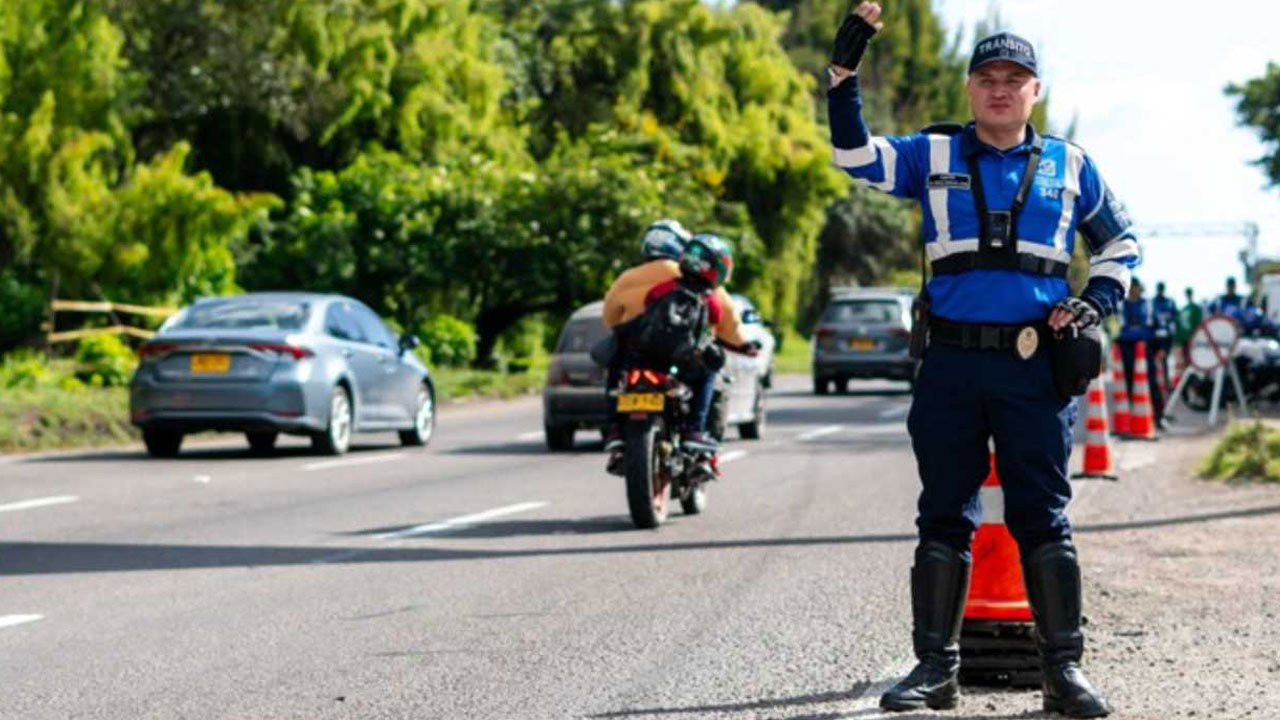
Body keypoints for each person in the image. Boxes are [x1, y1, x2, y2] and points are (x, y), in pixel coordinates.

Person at [827, 4, 1138, 716]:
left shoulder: (1072, 164)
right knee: (944, 516)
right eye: (988, 78)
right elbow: (854, 158)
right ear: (970, 89)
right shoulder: (930, 156)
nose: (1001, 89)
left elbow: (1121, 243)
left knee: (1044, 518)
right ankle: (935, 671)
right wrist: (844, 77)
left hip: (1035, 370)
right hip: (952, 367)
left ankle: (1064, 673)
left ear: (1036, 91)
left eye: (1015, 79)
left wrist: (1094, 303)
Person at [601, 232, 753, 471]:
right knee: (708, 373)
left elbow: (611, 318)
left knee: (615, 366)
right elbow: (721, 325)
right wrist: (744, 345)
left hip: (641, 357)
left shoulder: (647, 283)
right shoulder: (711, 297)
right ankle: (694, 430)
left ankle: (614, 428)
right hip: (682, 362)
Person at [1117, 279, 1163, 427]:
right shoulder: (1122, 305)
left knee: (1152, 383)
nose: (1135, 290)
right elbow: (1120, 330)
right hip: (1128, 349)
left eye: (1137, 288)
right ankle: (1135, 418)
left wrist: (1160, 348)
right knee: (1130, 383)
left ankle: (1158, 417)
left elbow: (1156, 328)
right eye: (1132, 288)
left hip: (1145, 348)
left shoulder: (1148, 305)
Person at [1151, 282, 1178, 400]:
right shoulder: (1151, 302)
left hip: (1166, 336)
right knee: (1153, 360)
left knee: (1166, 360)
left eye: (1162, 289)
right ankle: (1153, 383)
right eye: (1159, 289)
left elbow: (1175, 318)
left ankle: (1166, 383)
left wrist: (1173, 332)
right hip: (1155, 336)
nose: (1160, 291)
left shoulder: (1170, 302)